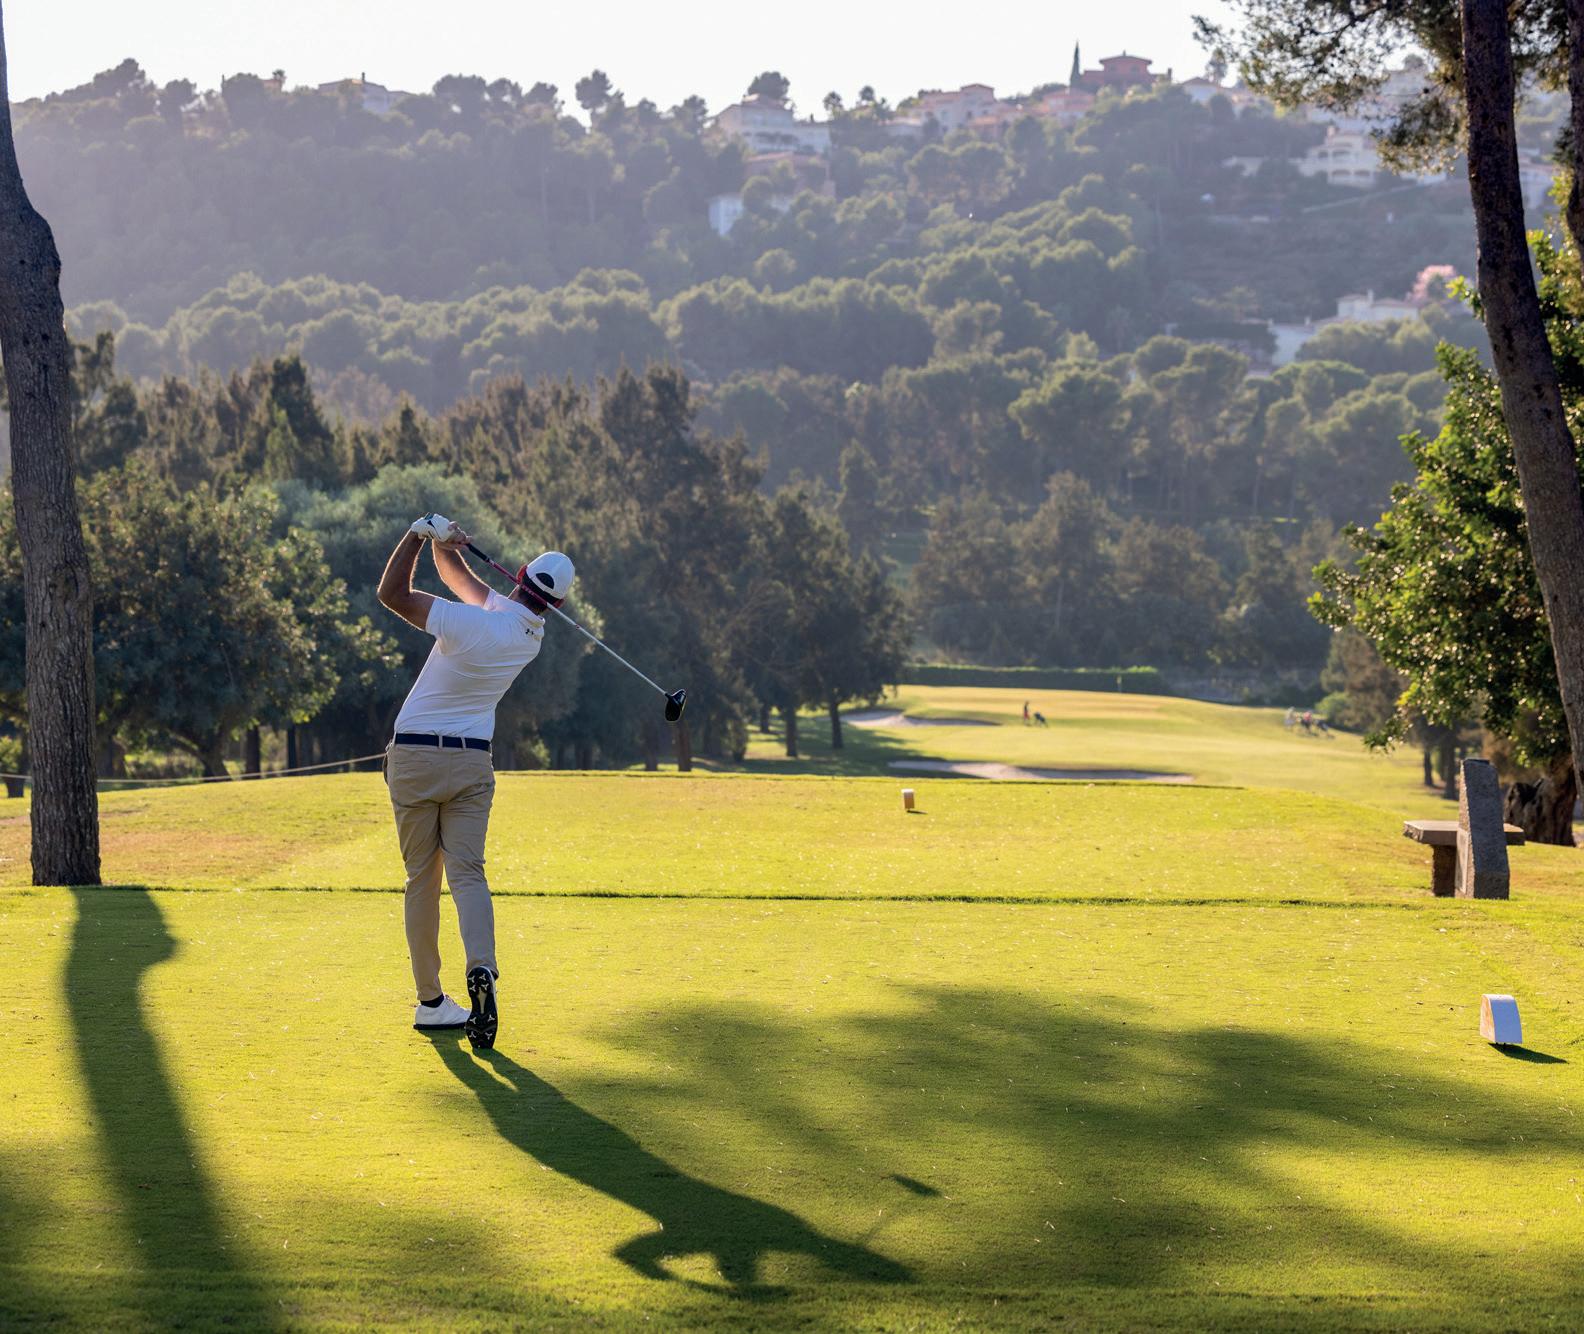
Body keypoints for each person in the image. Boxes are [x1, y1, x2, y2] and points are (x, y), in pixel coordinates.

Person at [376, 512, 574, 1050]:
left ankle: (431, 1003)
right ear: (555, 605)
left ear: (519, 573)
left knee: (422, 879)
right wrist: (447, 545)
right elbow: (461, 581)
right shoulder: (528, 635)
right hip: (471, 765)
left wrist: (416, 534)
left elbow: (392, 594)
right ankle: (482, 968)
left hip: (415, 758)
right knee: (468, 875)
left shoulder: (469, 623)